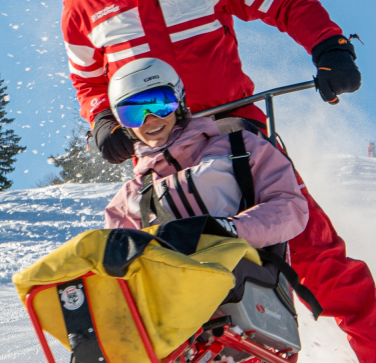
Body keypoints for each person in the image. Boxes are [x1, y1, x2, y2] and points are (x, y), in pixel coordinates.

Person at [61, 0, 376, 363]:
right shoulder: (83, 5)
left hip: (236, 142)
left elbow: (286, 0)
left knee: (321, 263)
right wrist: (100, 122)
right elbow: (87, 80)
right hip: (160, 156)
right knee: (162, 271)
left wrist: (329, 47)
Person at [103, 58, 309, 251]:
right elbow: (116, 262)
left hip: (250, 281)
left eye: (159, 104)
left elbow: (290, 207)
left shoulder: (240, 147)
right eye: (133, 114)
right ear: (123, 125)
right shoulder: (130, 197)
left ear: (179, 100)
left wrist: (232, 230)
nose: (150, 119)